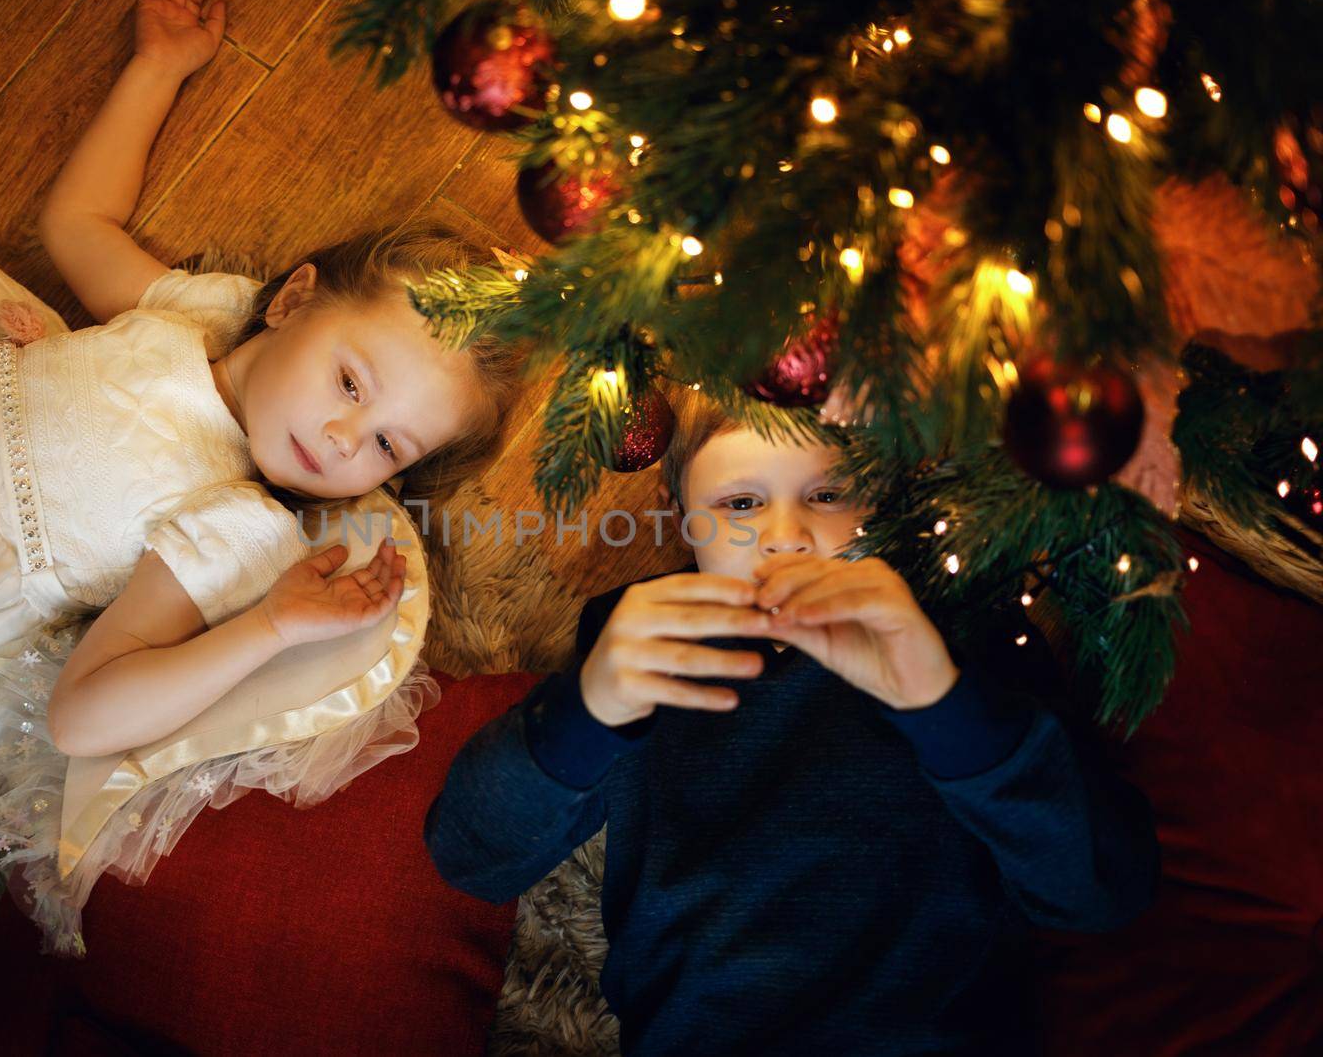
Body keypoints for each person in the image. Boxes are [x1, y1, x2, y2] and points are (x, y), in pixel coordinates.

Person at [0, 0, 523, 1000]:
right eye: (349, 382)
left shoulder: (238, 525)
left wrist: (271, 627)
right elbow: (78, 224)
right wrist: (156, 67)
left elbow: (83, 713)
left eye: (383, 443)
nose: (337, 436)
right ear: (292, 299)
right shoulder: (200, 315)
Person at [425, 390, 1160, 1055]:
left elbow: (1102, 892)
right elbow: (470, 852)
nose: (787, 537)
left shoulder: (951, 630)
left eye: (829, 493)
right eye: (741, 503)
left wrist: (942, 702)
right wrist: (589, 710)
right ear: (677, 507)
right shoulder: (642, 635)